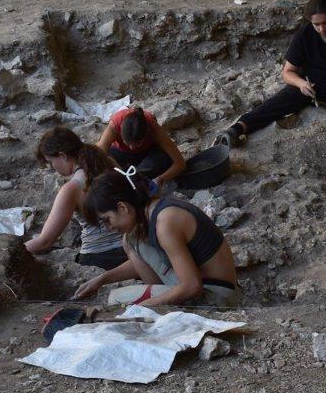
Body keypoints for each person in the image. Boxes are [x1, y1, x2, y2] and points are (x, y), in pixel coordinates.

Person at [215, 0, 326, 146]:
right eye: (316, 24)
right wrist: (301, 83)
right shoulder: (304, 35)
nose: (321, 29)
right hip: (316, 88)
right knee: (281, 100)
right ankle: (238, 128)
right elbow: (287, 72)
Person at [73, 168, 241, 307]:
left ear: (122, 207)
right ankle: (163, 299)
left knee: (116, 299)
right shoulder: (152, 212)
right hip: (205, 284)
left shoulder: (166, 221)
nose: (109, 228)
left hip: (217, 297)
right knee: (131, 241)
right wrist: (102, 279)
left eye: (107, 220)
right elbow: (143, 261)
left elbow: (192, 286)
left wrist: (144, 306)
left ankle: (165, 304)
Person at [26, 127, 126, 270]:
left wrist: (13, 248)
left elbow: (45, 241)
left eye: (51, 161)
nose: (52, 167)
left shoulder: (72, 188)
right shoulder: (108, 162)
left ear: (63, 155)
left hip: (99, 256)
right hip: (129, 247)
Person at [96, 106, 186, 187]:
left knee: (164, 158)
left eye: (137, 144)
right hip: (121, 154)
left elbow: (180, 163)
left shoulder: (152, 127)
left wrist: (160, 179)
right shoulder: (115, 125)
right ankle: (133, 177)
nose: (132, 147)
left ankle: (133, 177)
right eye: (127, 143)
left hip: (147, 154)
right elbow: (97, 155)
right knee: (103, 157)